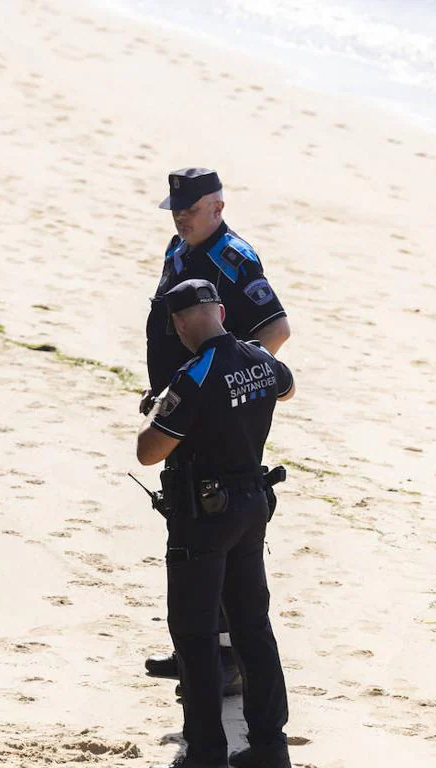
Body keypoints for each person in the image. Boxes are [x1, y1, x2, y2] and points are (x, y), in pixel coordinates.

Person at [137, 279, 296, 768]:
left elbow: (148, 450)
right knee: (252, 625)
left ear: (181, 324)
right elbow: (287, 386)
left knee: (194, 633)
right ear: (222, 311)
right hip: (251, 503)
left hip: (204, 514)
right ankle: (271, 745)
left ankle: (206, 754)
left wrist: (160, 405)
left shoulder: (193, 375)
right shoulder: (258, 358)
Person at [141, 167, 292, 692]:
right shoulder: (179, 249)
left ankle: (223, 663)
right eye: (176, 210)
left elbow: (276, 329)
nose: (181, 217)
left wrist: (227, 389)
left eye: (190, 209)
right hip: (181, 405)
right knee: (187, 518)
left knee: (215, 525)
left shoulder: (235, 257)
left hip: (213, 413)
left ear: (218, 208)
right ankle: (195, 648)